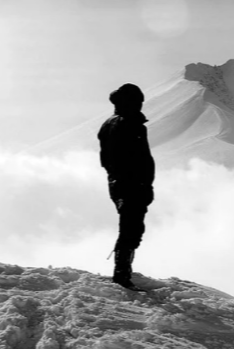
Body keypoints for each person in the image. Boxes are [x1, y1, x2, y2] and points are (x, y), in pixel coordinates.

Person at [97, 83, 155, 291]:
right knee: (131, 228)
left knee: (130, 227)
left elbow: (106, 159)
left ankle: (122, 272)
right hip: (131, 184)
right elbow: (140, 158)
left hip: (119, 183)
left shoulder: (108, 124)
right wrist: (143, 184)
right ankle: (122, 275)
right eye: (138, 101)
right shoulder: (130, 124)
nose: (140, 105)